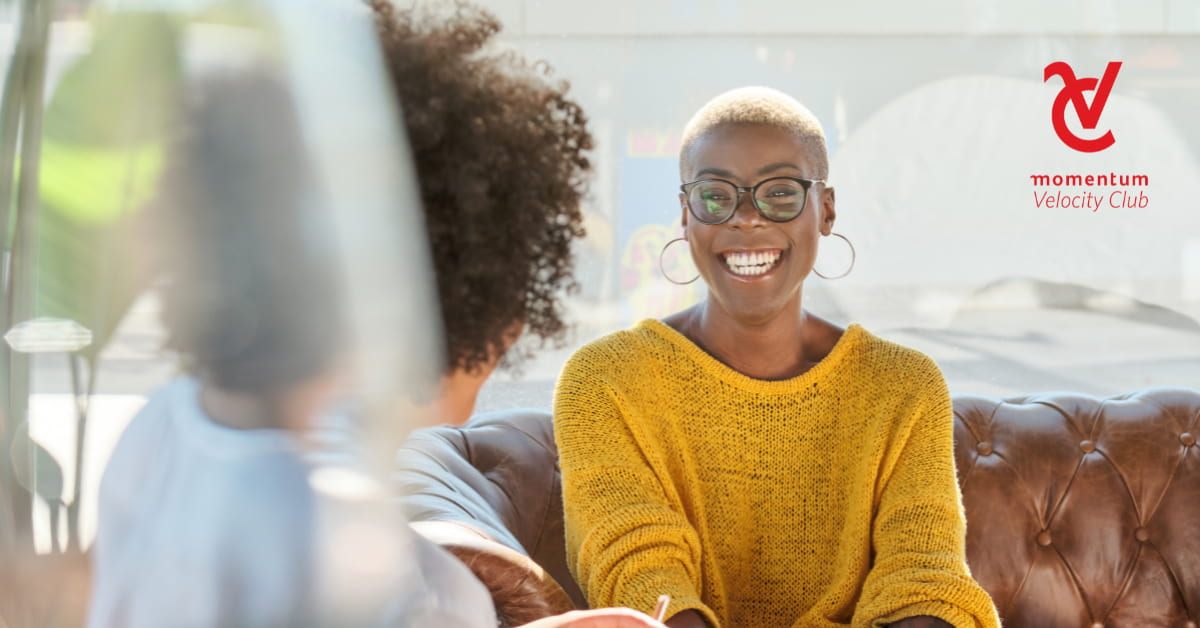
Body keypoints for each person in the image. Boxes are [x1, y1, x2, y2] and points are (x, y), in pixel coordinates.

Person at [553, 87, 1002, 628]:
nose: (746, 218)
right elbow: (641, 573)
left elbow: (923, 579)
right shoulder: (604, 381)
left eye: (781, 193)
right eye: (716, 195)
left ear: (827, 210)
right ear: (685, 214)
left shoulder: (903, 386)